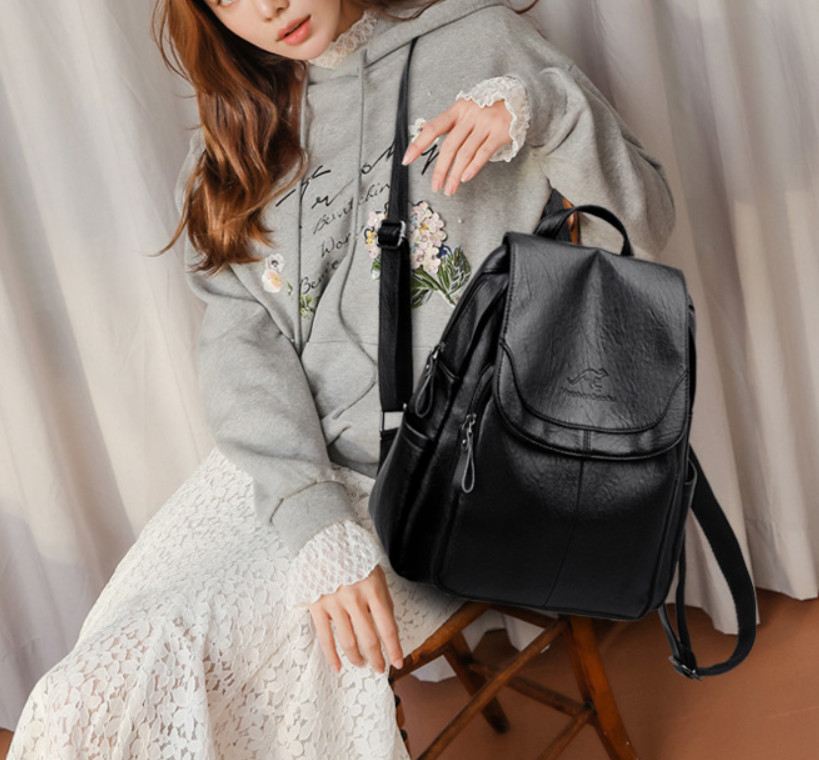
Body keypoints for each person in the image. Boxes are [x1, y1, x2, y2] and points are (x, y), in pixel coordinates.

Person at [7, 0, 674, 757]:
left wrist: (543, 110)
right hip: (279, 472)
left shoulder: (480, 44)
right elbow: (242, 354)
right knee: (76, 696)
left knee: (140, 686)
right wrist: (312, 518)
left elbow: (645, 226)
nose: (268, 9)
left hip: (444, 485)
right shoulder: (237, 139)